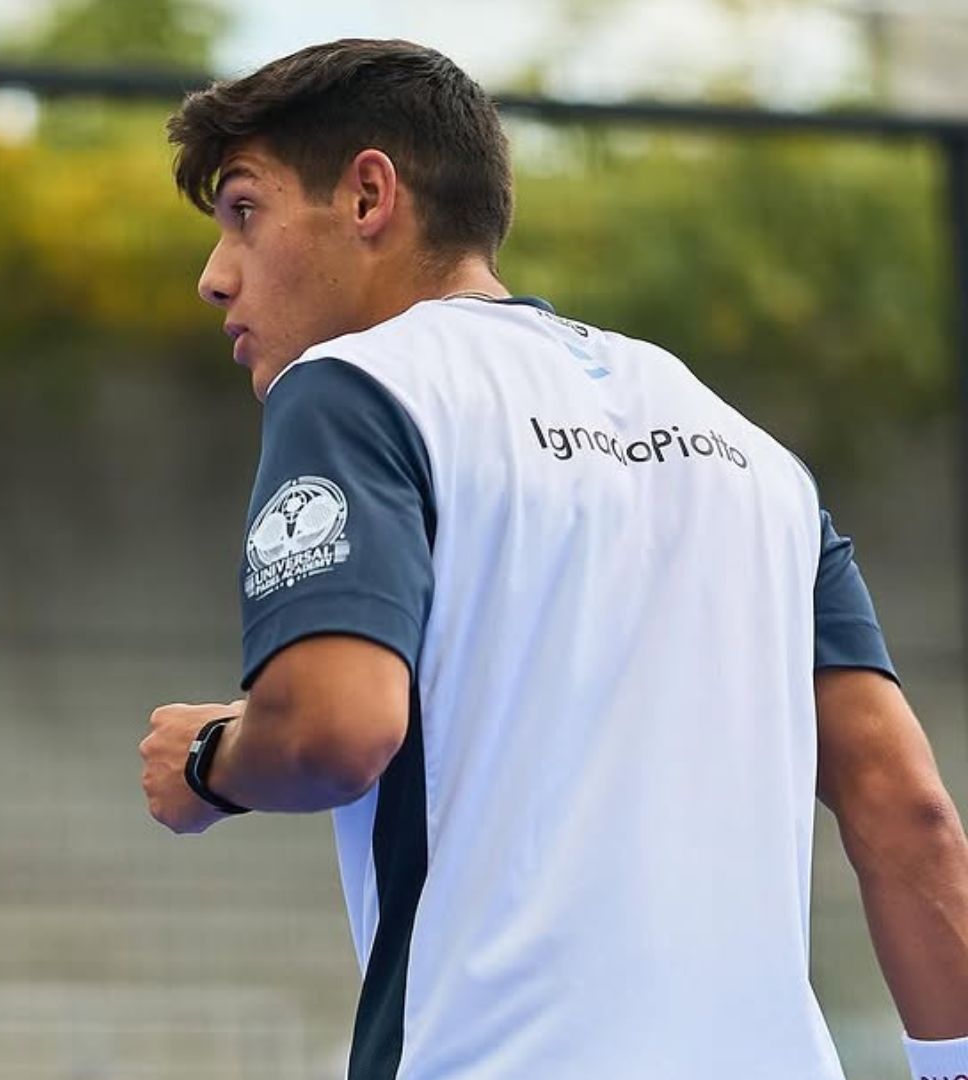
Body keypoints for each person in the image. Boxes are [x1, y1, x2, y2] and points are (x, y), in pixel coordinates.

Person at [136, 38, 968, 1080]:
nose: (216, 277)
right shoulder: (742, 446)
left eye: (244, 213)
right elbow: (909, 811)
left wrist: (215, 763)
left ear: (368, 196)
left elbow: (333, 729)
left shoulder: (352, 388)